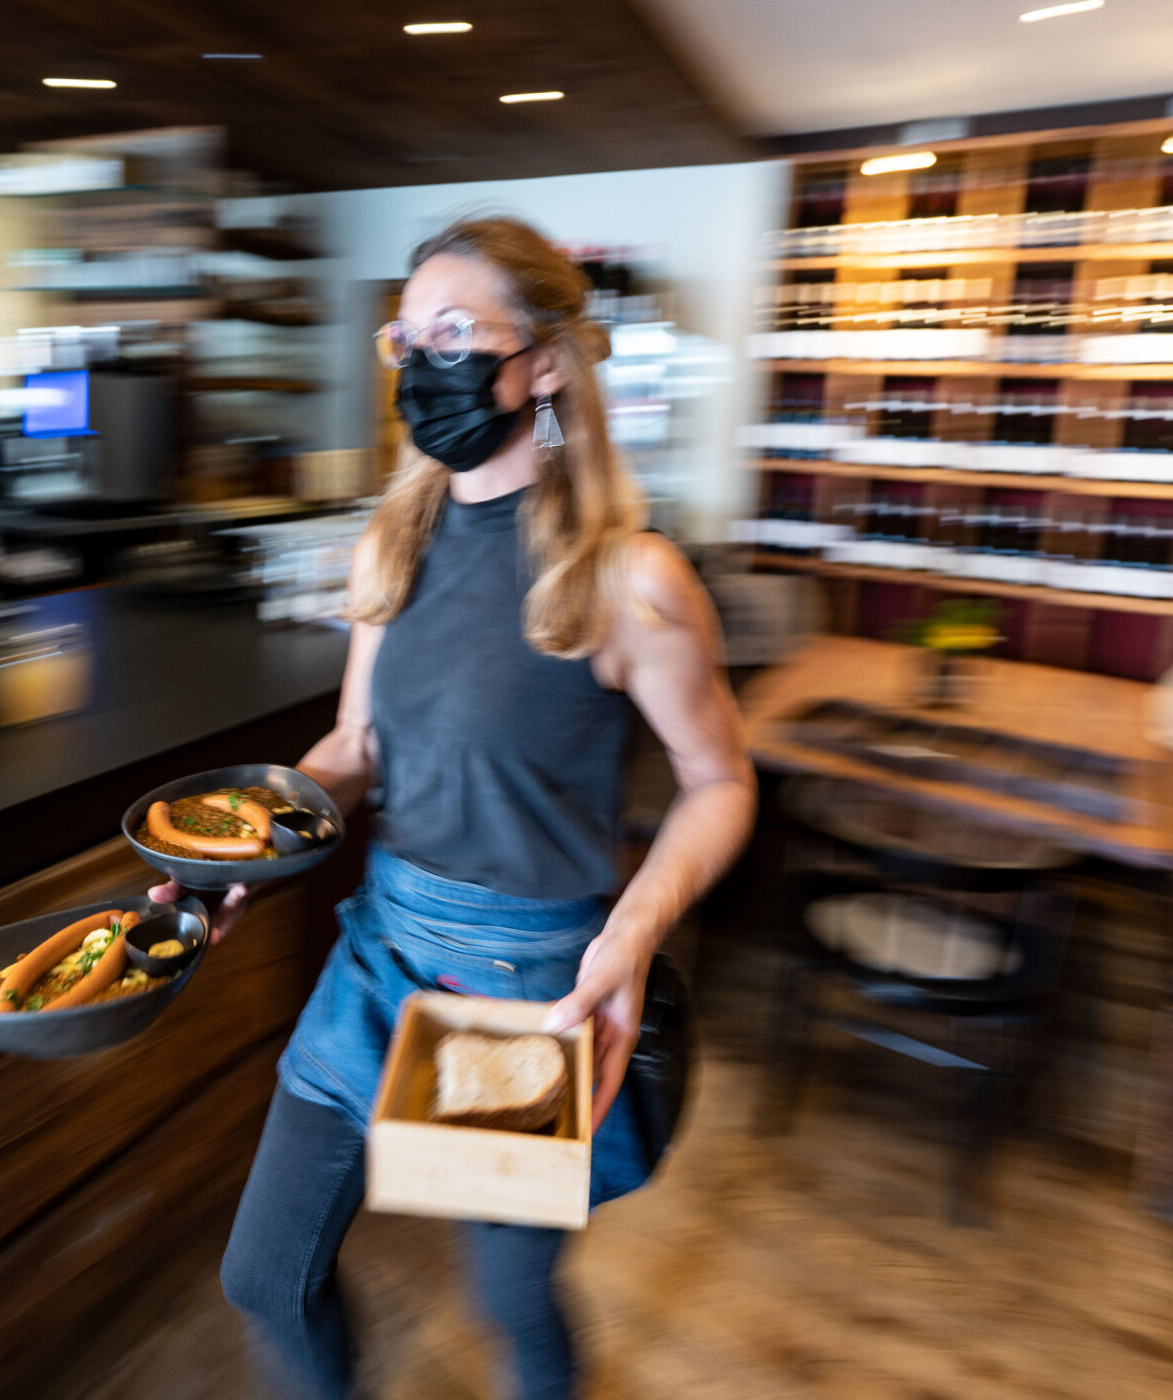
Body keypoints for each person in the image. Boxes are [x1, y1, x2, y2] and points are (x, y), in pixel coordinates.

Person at [150, 216, 756, 1400]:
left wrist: (633, 930)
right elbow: (356, 744)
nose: (422, 362)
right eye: (406, 338)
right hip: (380, 947)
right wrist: (248, 845)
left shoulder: (629, 578)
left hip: (522, 983)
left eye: (455, 334)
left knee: (509, 1302)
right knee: (267, 1276)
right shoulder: (394, 540)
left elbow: (720, 780)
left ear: (546, 362)